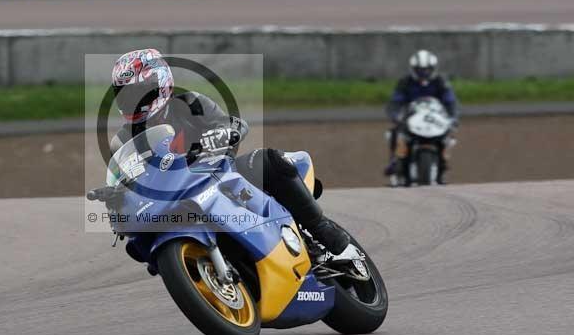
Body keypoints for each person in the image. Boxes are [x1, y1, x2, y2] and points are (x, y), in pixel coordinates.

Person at [105, 48, 350, 255]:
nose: (133, 101)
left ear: (160, 83)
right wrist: (116, 194)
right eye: (126, 96)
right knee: (138, 245)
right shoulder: (123, 140)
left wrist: (222, 135)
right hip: (175, 197)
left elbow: (231, 125)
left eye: (139, 93)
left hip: (219, 173)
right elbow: (127, 176)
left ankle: (320, 227)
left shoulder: (190, 103)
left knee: (269, 161)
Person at [385, 49, 459, 184]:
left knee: (449, 136)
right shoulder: (405, 82)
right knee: (395, 132)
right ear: (413, 69)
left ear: (433, 69)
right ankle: (395, 161)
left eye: (427, 70)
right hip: (411, 117)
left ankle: (443, 164)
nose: (424, 73)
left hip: (434, 119)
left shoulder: (441, 82)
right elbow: (395, 101)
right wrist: (395, 115)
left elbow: (451, 102)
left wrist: (453, 118)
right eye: (420, 70)